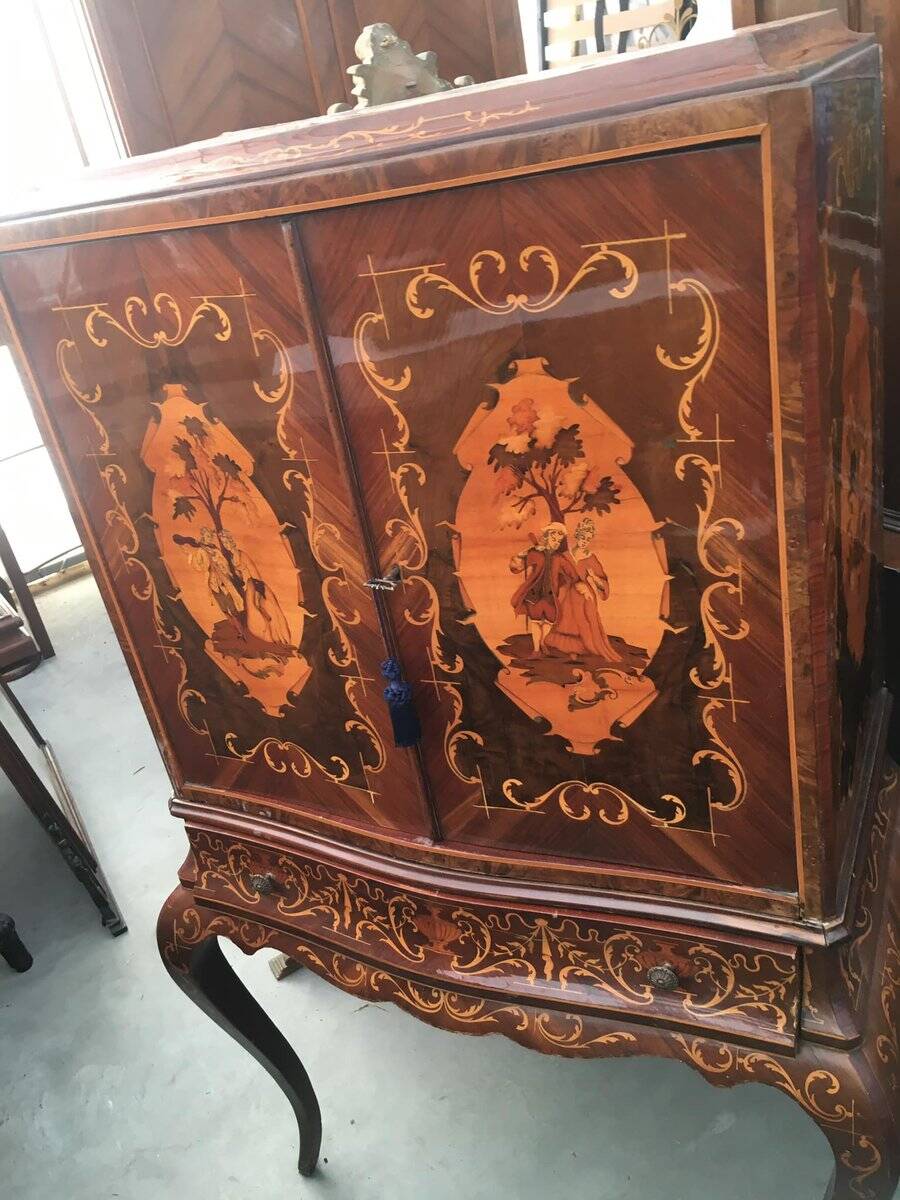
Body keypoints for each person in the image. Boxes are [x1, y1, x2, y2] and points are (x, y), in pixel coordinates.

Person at [543, 517, 622, 661]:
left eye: (588, 539)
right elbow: (556, 575)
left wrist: (594, 579)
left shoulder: (591, 558)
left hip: (585, 597)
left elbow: (604, 583)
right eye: (582, 537)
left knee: (583, 623)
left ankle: (581, 650)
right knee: (565, 620)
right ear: (577, 536)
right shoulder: (565, 556)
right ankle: (567, 651)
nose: (584, 541)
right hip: (567, 595)